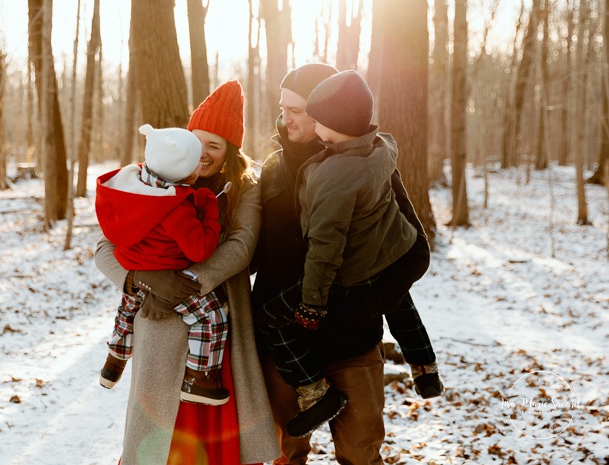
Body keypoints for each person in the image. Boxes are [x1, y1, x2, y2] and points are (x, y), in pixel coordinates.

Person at [252, 64, 442, 463]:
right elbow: (247, 250)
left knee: (361, 452)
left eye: (298, 110)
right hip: (283, 345)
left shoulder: (366, 162)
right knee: (284, 453)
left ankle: (422, 361)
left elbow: (412, 253)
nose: (286, 117)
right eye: (283, 107)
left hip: (352, 343)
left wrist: (357, 303)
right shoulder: (269, 171)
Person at [94, 81, 280, 465]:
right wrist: (139, 279)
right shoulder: (149, 177)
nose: (204, 154)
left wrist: (190, 284)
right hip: (155, 320)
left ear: (230, 150)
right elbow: (104, 247)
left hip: (215, 327)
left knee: (212, 431)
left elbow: (241, 245)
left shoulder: (246, 187)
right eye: (199, 141)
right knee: (158, 436)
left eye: (216, 145)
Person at [95, 123, 230, 405]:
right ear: (191, 173)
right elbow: (200, 249)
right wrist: (208, 211)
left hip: (134, 270)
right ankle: (200, 378)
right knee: (211, 317)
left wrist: (137, 277)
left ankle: (114, 362)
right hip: (171, 276)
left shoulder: (129, 187)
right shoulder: (176, 207)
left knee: (127, 308)